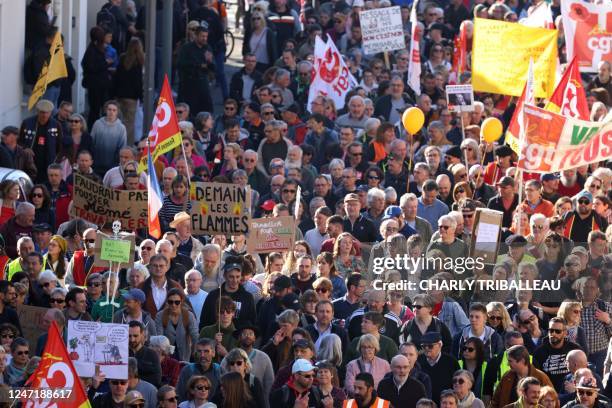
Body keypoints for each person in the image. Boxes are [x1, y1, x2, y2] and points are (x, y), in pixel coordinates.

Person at [177, 25, 215, 116]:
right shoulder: (187, 48)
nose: (204, 39)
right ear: (196, 36)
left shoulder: (207, 48)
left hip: (203, 83)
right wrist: (199, 65)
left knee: (206, 110)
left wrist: (209, 62)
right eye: (202, 36)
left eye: (206, 36)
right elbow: (182, 64)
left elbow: (212, 68)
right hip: (189, 84)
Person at [155, 288, 198, 362]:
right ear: (167, 302)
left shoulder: (188, 315)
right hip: (166, 357)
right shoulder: (160, 315)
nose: (173, 305)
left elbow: (195, 335)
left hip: (184, 356)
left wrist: (195, 351)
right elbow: (159, 337)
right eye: (170, 302)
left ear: (181, 302)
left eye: (177, 302)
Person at [418, 332, 461, 405]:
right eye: (423, 346)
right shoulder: (418, 361)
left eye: (430, 346)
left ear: (440, 345)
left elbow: (458, 384)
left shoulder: (451, 362)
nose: (426, 348)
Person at [90, 100, 127, 176]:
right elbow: (91, 143)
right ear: (105, 110)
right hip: (96, 165)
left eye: (114, 110)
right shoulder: (97, 124)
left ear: (117, 112)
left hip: (113, 167)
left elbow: (122, 148)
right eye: (109, 109)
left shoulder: (121, 128)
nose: (111, 112)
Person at [128, 321, 162, 388]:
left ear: (142, 334)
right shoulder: (121, 354)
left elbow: (157, 379)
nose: (132, 340)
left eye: (135, 336)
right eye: (129, 336)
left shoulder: (152, 354)